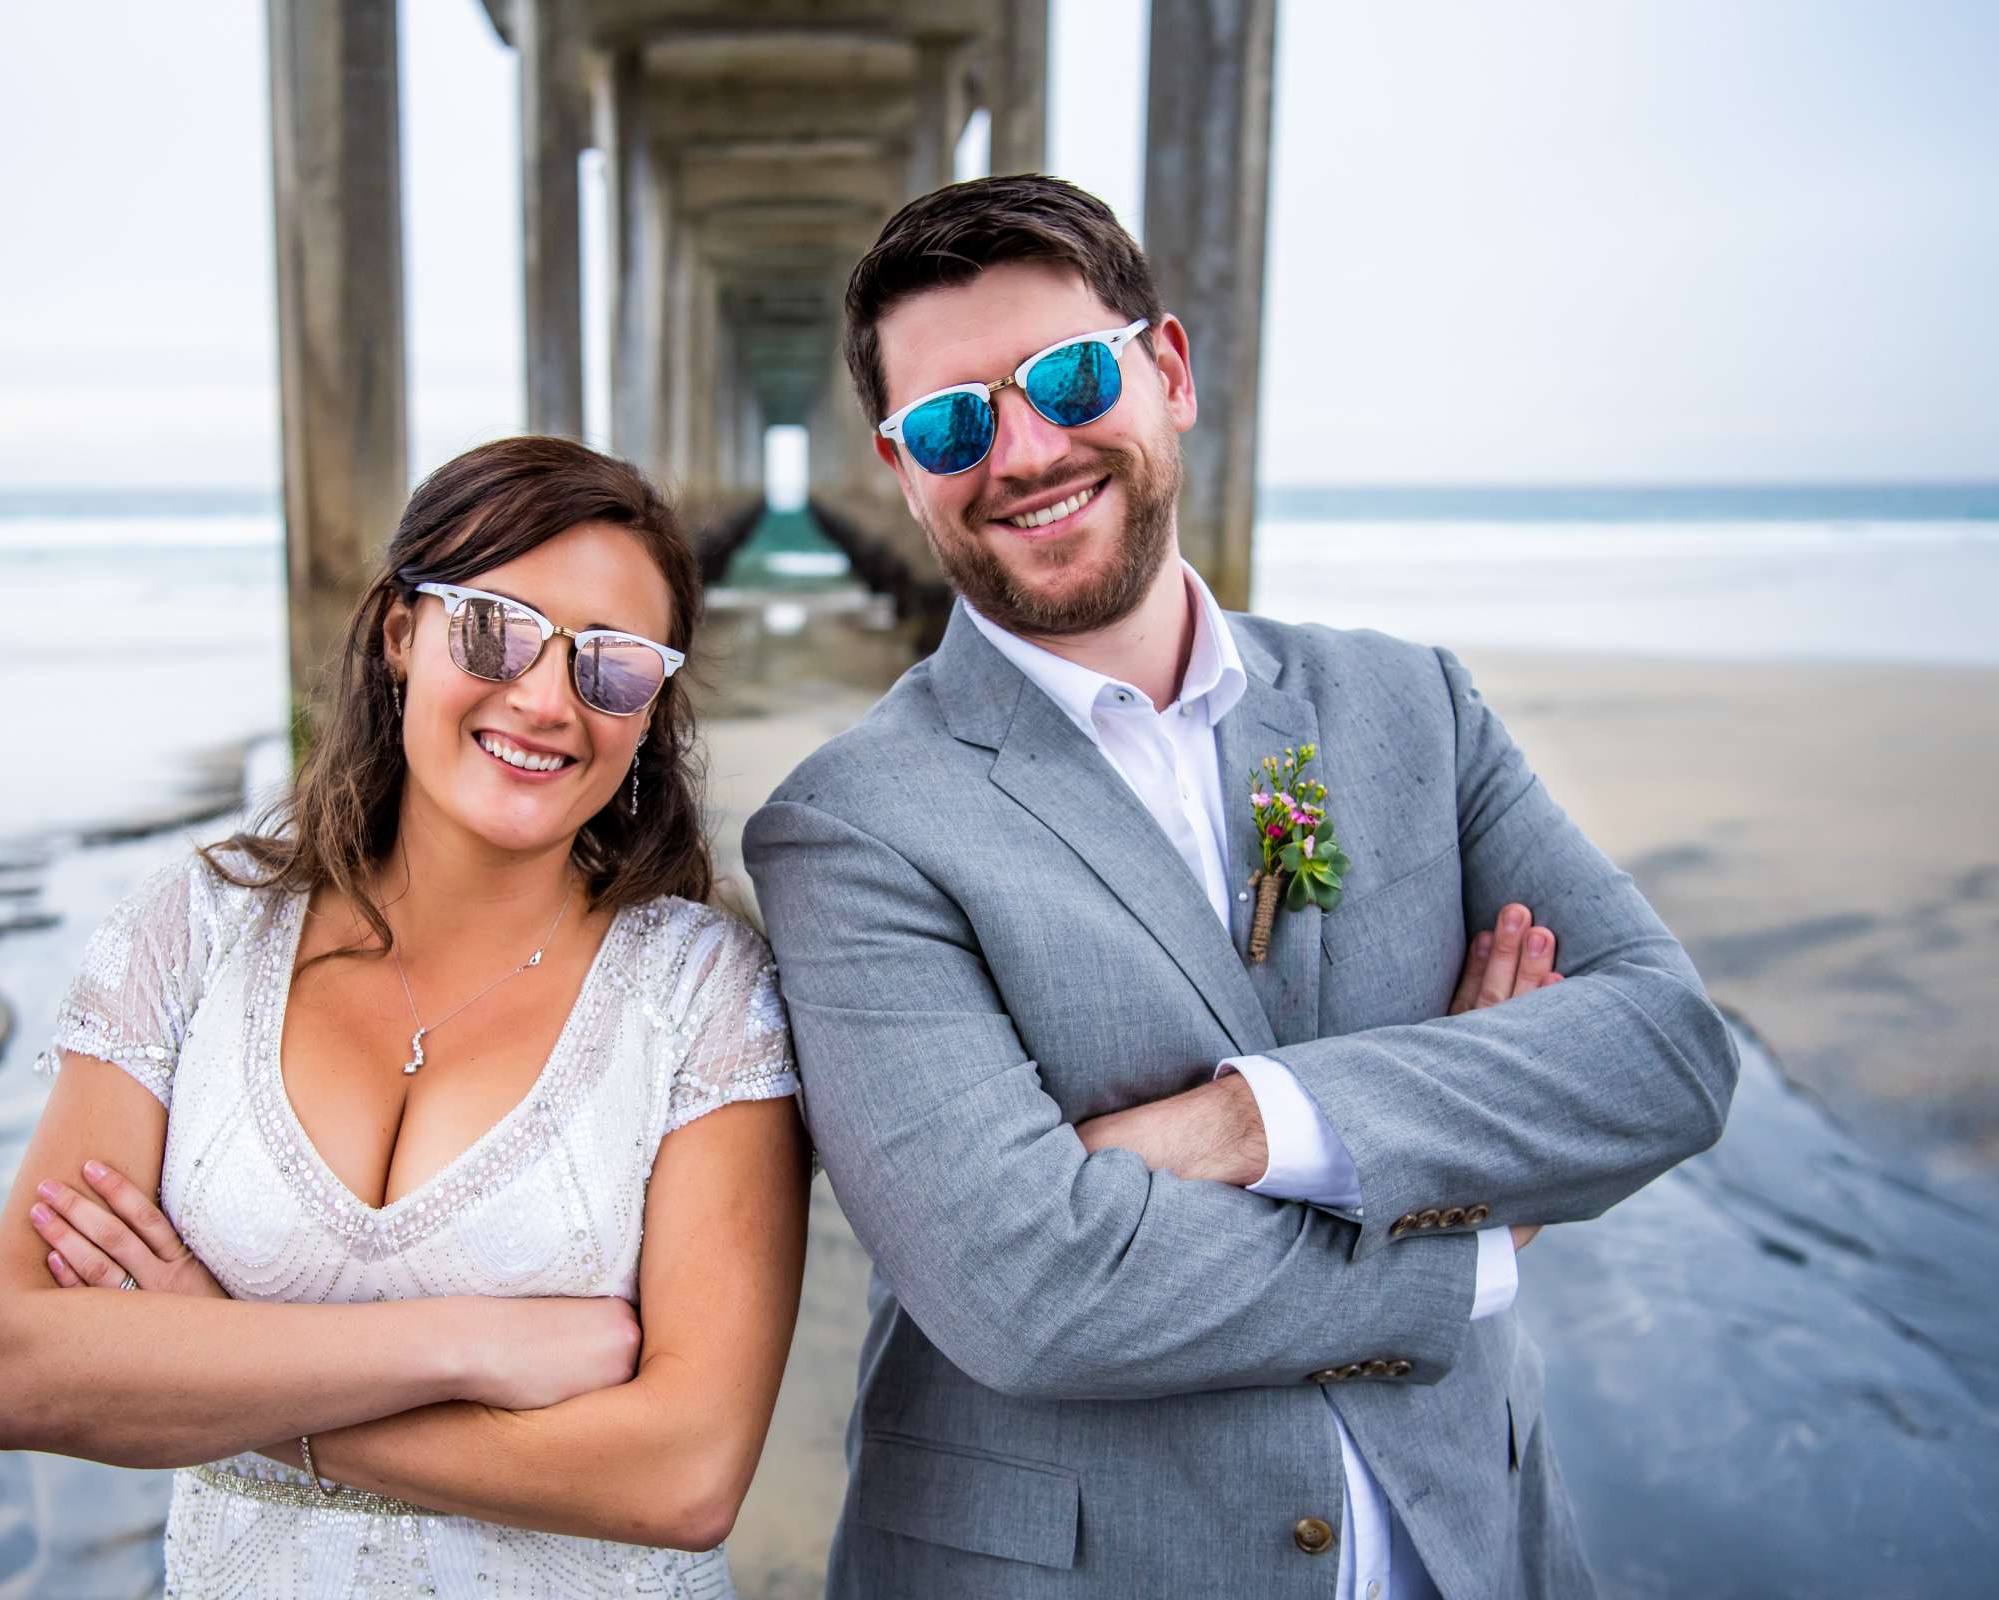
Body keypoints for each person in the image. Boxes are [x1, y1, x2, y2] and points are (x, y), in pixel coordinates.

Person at [742, 176, 1739, 1599]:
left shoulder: (1413, 707)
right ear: (904, 471)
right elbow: (1028, 1290)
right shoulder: (850, 827)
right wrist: (1465, 1229)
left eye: (1072, 376)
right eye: (958, 421)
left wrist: (1241, 1124)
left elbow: (1666, 1054)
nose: (1026, 449)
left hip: (1475, 1547)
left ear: (1169, 372)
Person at [0, 436, 812, 1598]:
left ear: (652, 708)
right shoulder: (201, 932)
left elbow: (685, 1475)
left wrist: (214, 1363)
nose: (545, 697)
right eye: (492, 628)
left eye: (612, 665)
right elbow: (20, 1370)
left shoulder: (705, 998)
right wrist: (468, 1344)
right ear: (400, 632)